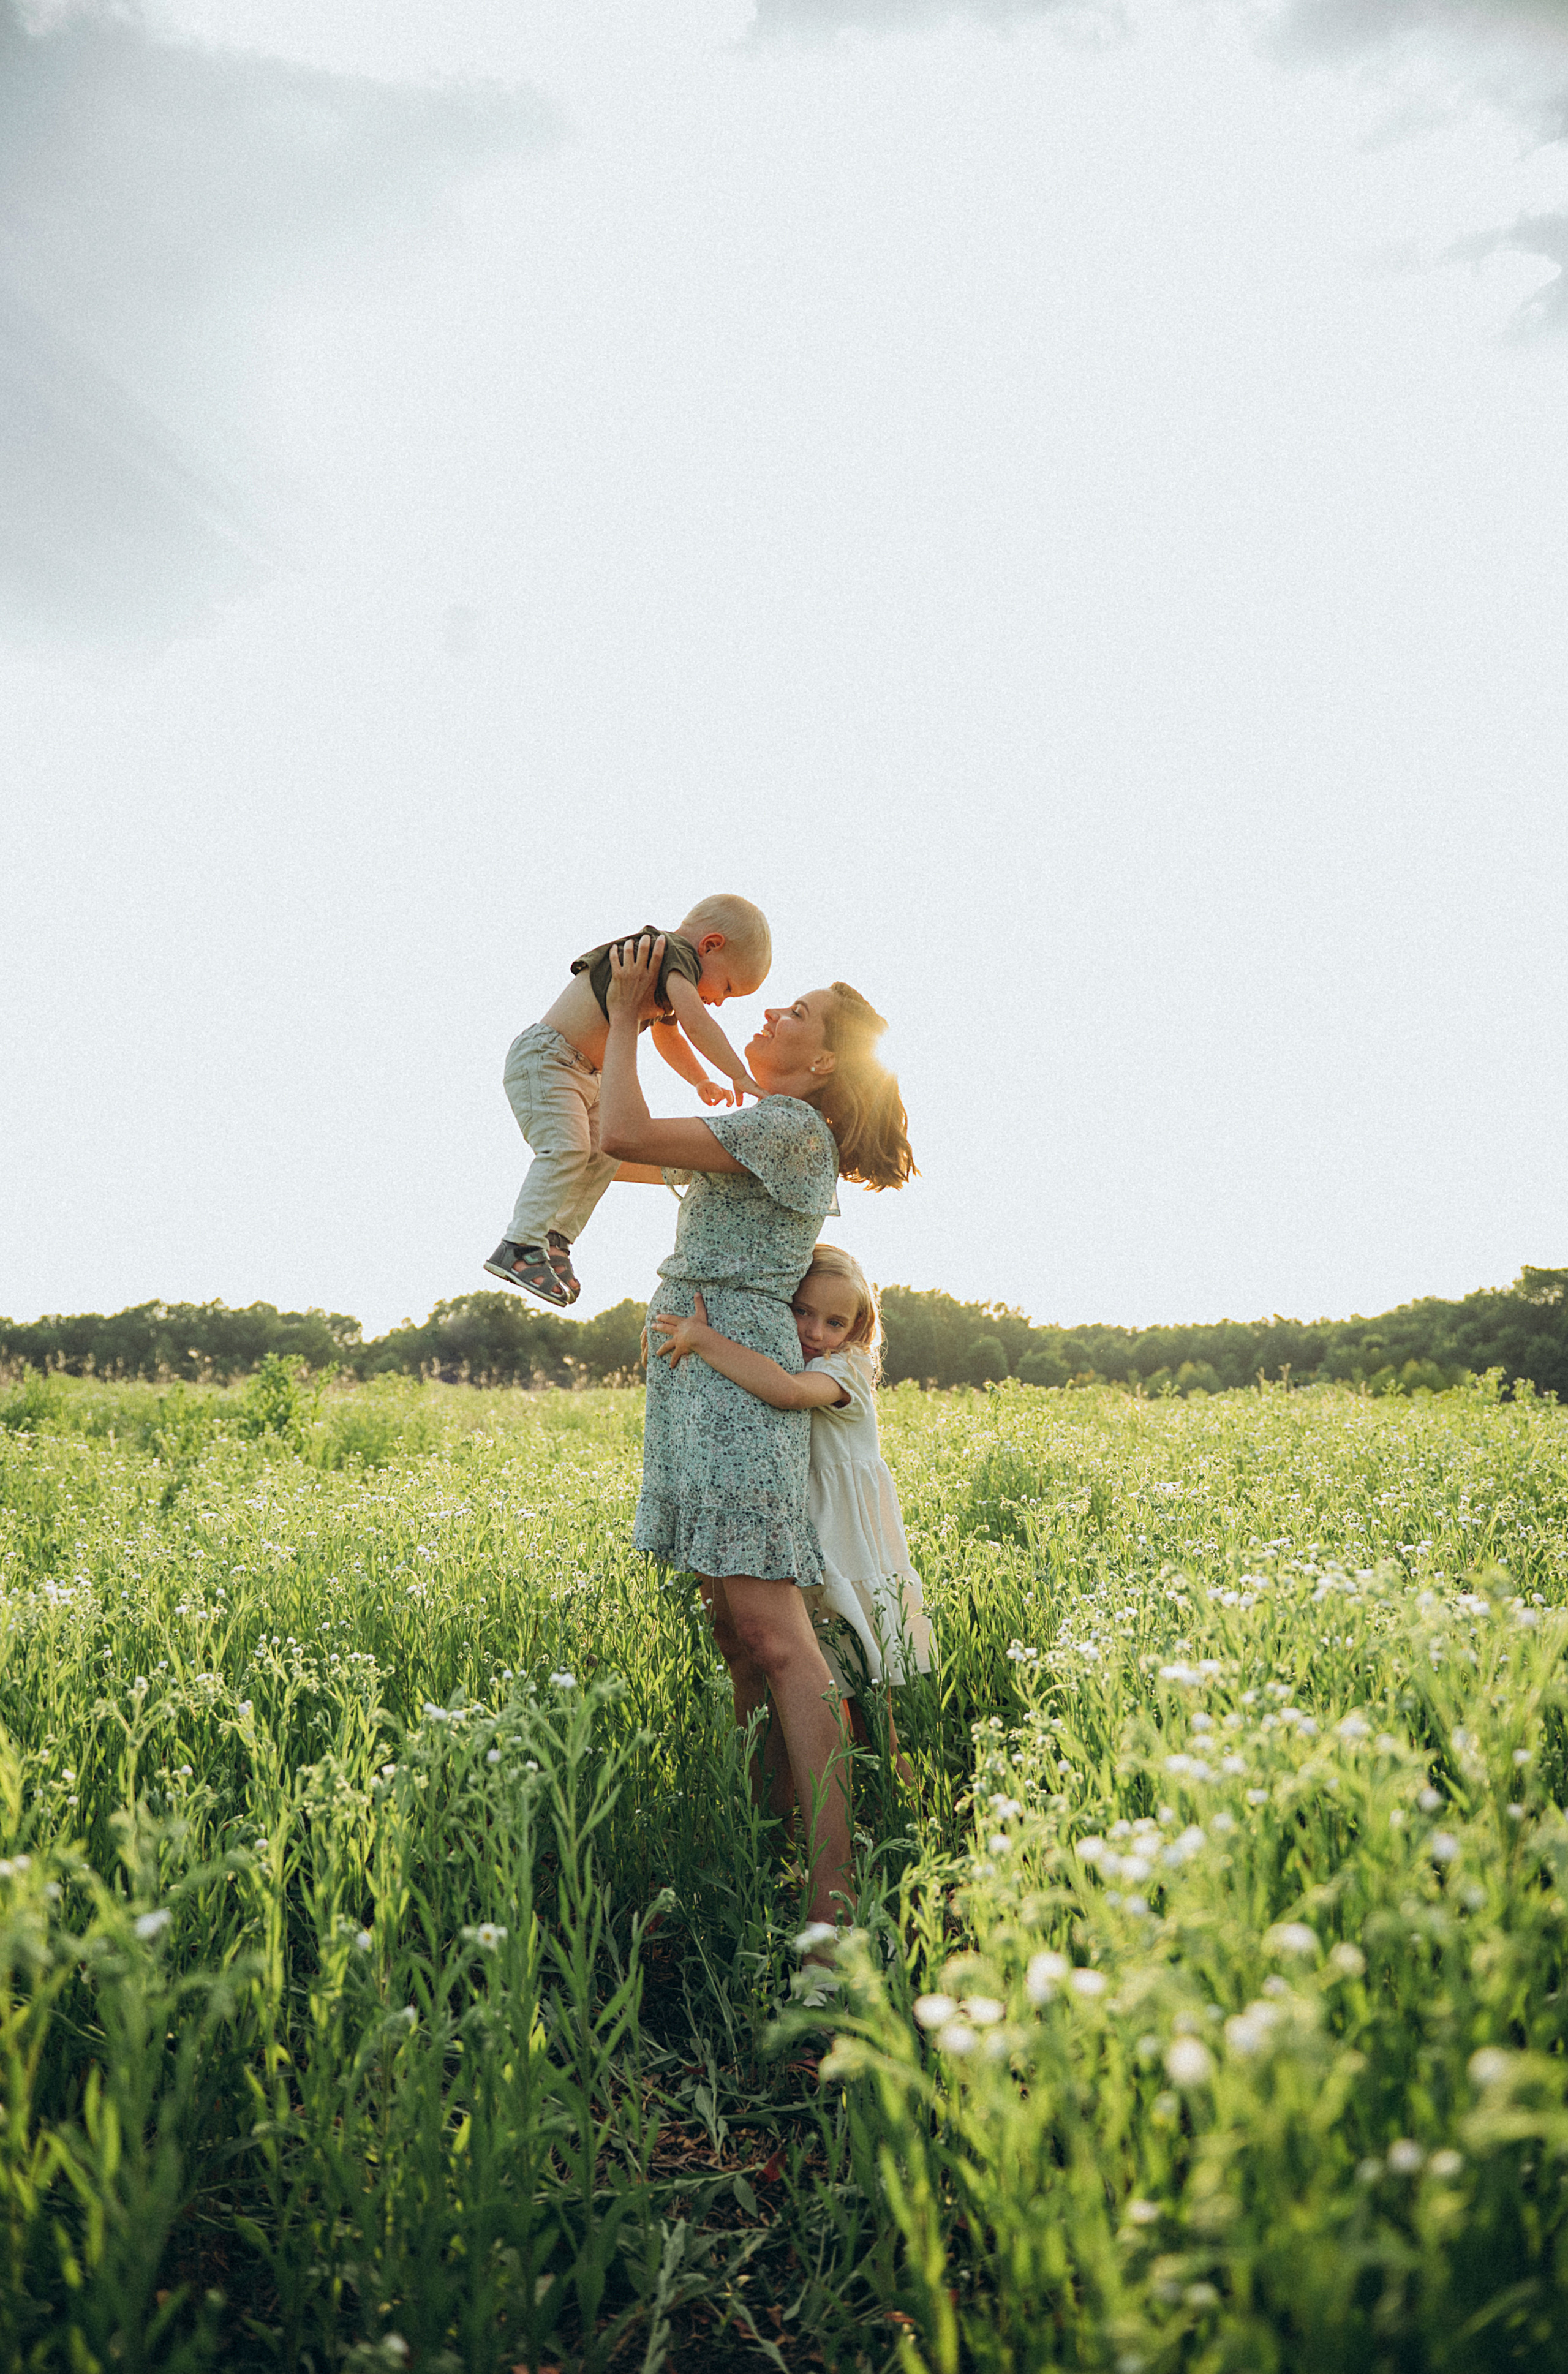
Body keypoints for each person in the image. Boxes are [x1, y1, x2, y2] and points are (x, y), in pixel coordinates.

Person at [598, 935, 915, 1939]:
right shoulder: (763, 1127)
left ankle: (833, 1902)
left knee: (777, 1639)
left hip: (733, 1383)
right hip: (697, 1379)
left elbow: (620, 1133)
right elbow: (631, 1149)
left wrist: (621, 1015)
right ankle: (766, 1861)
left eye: (799, 1014)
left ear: (823, 1066)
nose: (773, 1014)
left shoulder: (786, 1128)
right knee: (737, 1635)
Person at [649, 1244, 933, 1787]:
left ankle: (911, 1813)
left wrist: (706, 1339)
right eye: (802, 1311)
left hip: (846, 1545)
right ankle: (798, 1808)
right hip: (809, 1537)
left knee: (871, 1706)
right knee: (826, 1686)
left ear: (857, 1329)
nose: (815, 1331)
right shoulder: (802, 1354)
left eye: (834, 1321)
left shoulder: (845, 1370)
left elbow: (784, 1393)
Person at [485, 895, 771, 1306]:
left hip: (586, 1073)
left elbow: (667, 1034)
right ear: (710, 946)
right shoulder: (673, 954)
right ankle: (518, 1246)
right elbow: (696, 1020)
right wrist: (737, 1073)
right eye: (728, 987)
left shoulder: (664, 973)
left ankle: (556, 1239)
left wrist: (700, 1079)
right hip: (549, 1060)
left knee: (603, 1153)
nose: (721, 1001)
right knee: (566, 1149)